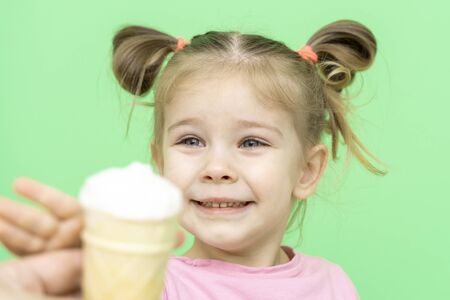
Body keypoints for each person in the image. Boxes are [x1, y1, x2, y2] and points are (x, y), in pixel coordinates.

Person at [0, 19, 387, 299]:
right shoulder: (148, 285)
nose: (216, 168)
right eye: (190, 140)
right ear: (160, 163)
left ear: (306, 170)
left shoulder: (334, 286)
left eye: (251, 143)